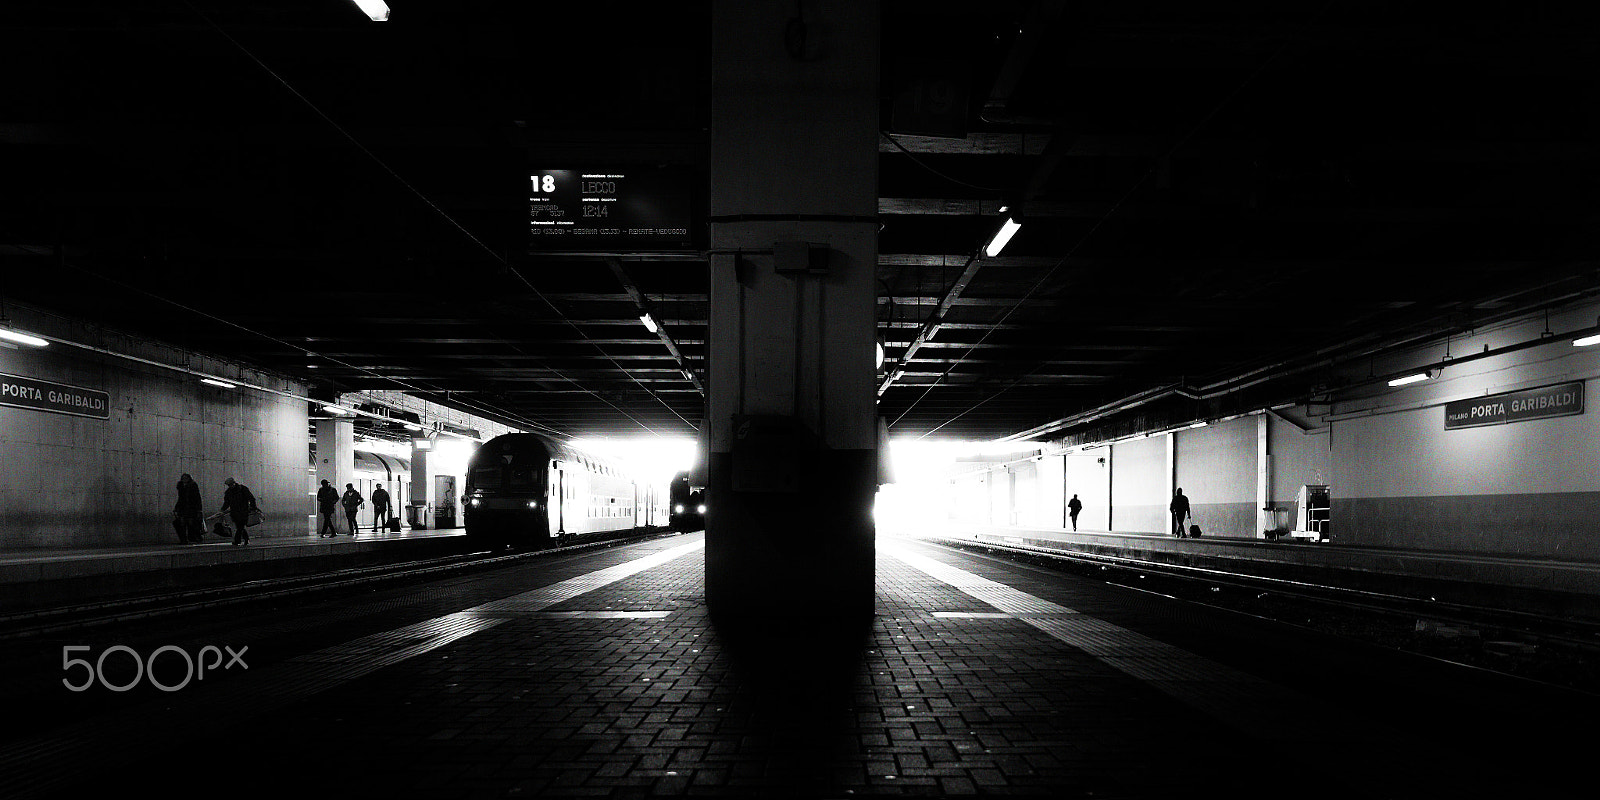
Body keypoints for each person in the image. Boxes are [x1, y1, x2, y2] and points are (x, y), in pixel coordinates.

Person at [221, 477, 259, 546]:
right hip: (235, 512)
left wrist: (253, 507)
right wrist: (222, 509)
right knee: (240, 527)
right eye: (229, 485)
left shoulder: (242, 489)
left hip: (243, 512)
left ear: (234, 483)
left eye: (230, 485)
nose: (230, 486)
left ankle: (237, 540)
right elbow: (226, 502)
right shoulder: (230, 492)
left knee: (240, 526)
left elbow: (251, 498)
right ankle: (246, 539)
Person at [174, 473, 203, 543]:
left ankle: (192, 538)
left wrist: (199, 509)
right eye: (183, 478)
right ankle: (185, 539)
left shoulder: (192, 485)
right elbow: (180, 498)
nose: (184, 480)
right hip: (183, 508)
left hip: (191, 508)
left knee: (191, 524)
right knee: (183, 524)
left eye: (186, 478)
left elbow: (197, 498)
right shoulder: (181, 486)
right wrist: (177, 507)